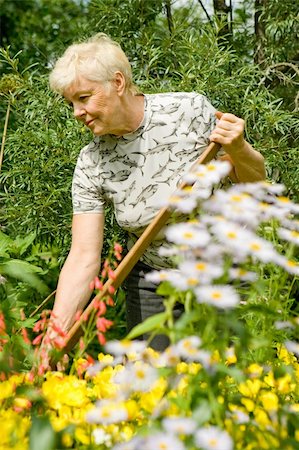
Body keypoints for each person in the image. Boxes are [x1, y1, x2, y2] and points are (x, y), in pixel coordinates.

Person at [47, 33, 266, 351]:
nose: (76, 112)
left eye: (84, 98)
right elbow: (83, 256)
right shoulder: (91, 162)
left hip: (226, 271)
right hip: (155, 281)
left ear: (118, 82)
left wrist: (239, 148)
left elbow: (257, 187)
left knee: (236, 382)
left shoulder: (188, 111)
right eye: (71, 103)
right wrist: (55, 335)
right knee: (153, 391)